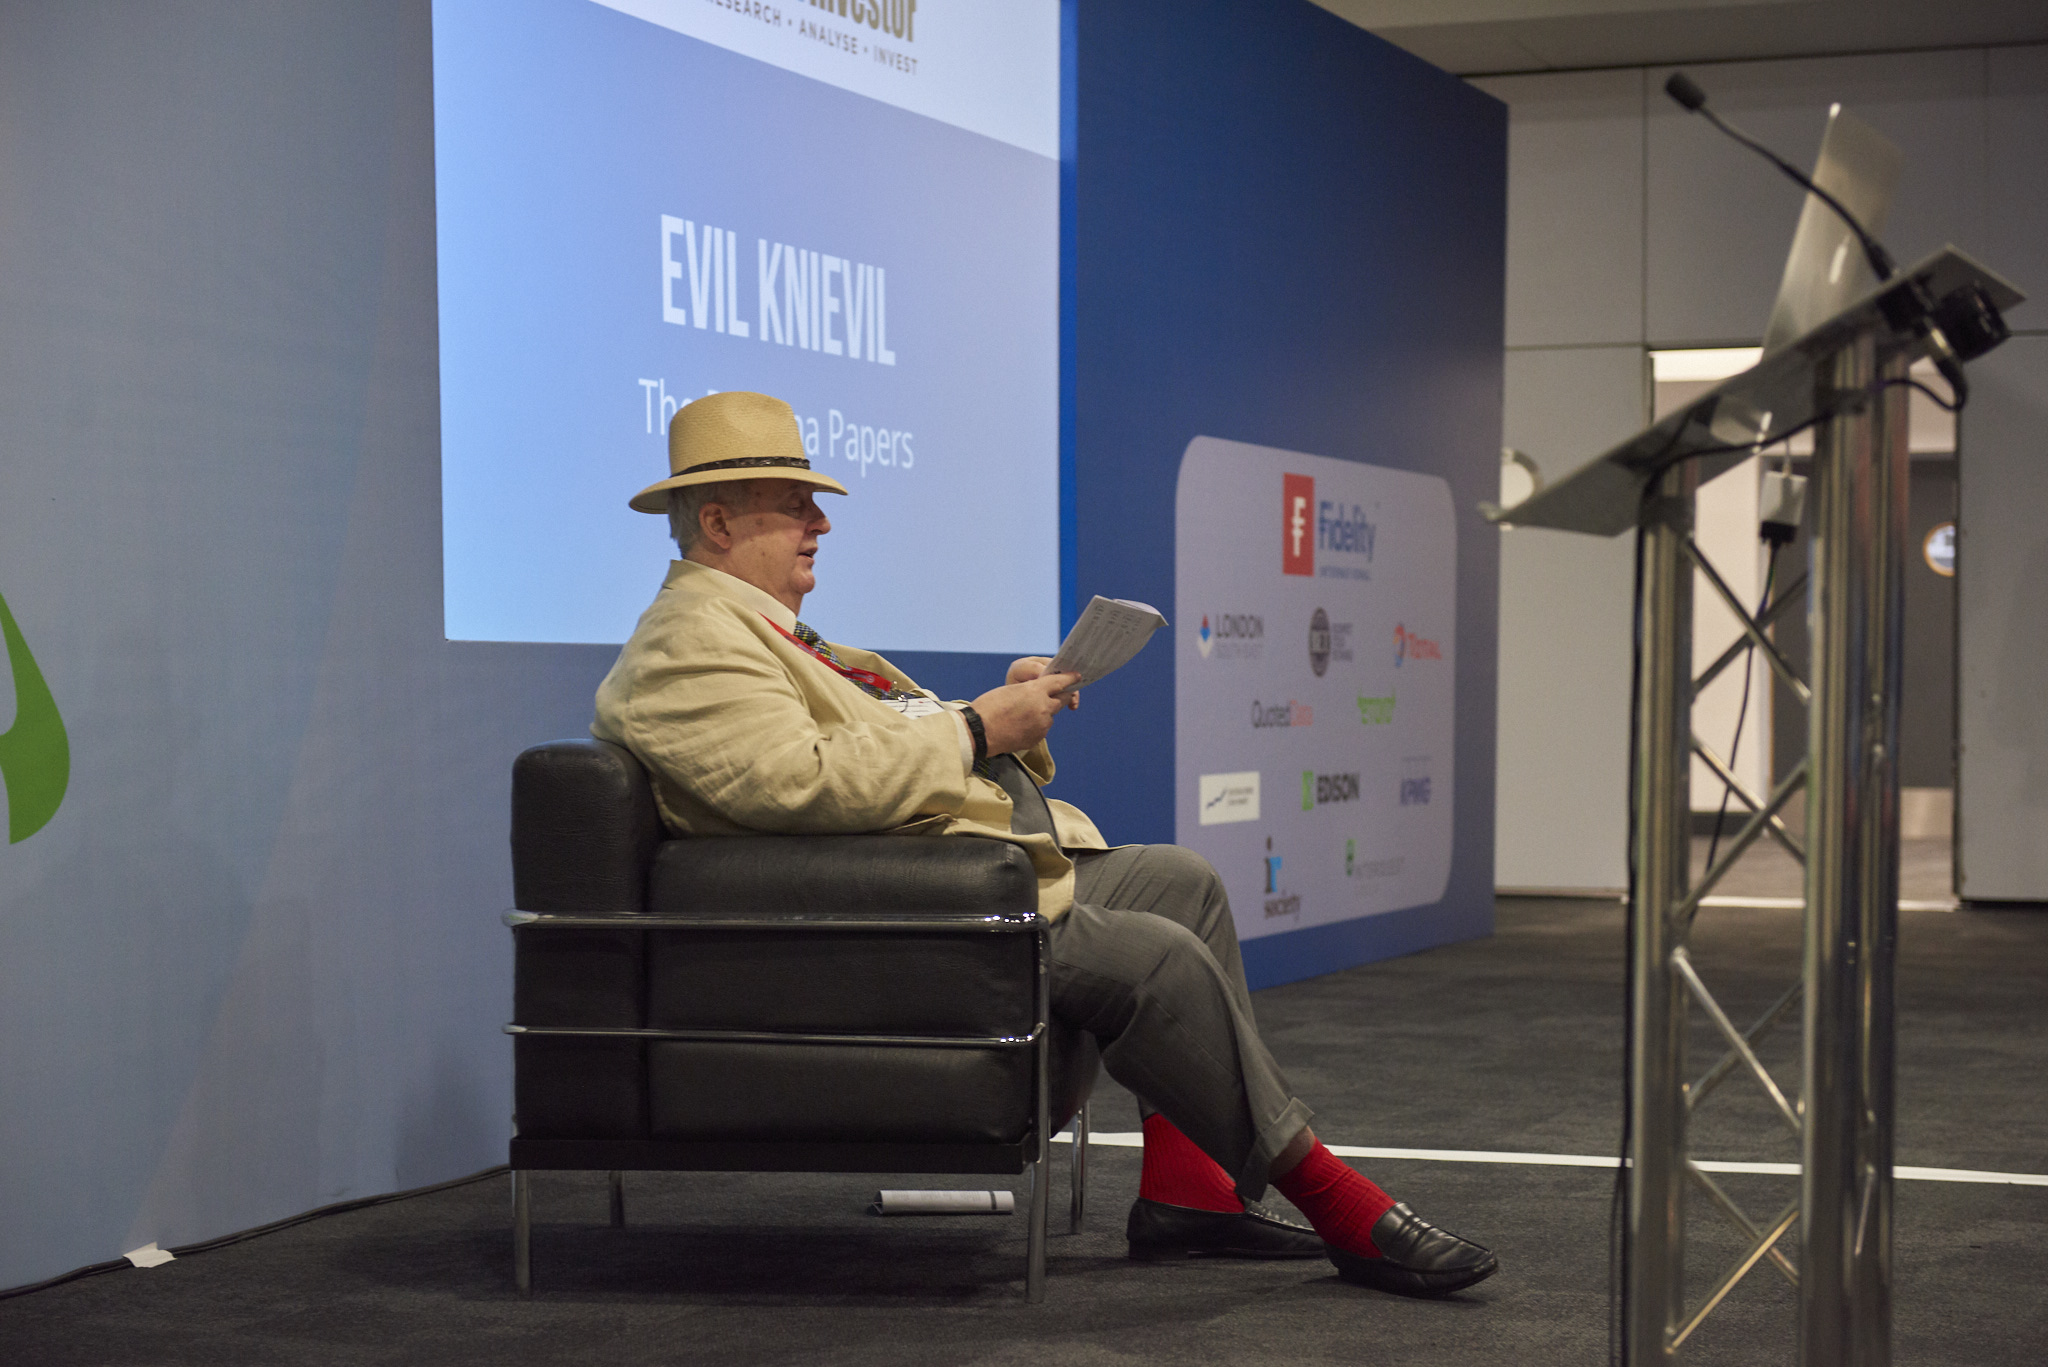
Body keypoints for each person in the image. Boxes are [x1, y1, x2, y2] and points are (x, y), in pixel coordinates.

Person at [592, 390, 1498, 1297]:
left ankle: (1191, 1198)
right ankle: (1338, 1201)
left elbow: (866, 743)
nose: (821, 523)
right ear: (718, 522)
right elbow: (797, 782)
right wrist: (979, 728)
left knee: (1180, 883)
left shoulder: (759, 629)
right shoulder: (688, 643)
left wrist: (1004, 708)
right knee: (1156, 958)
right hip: (906, 911)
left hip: (946, 878)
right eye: (795, 505)